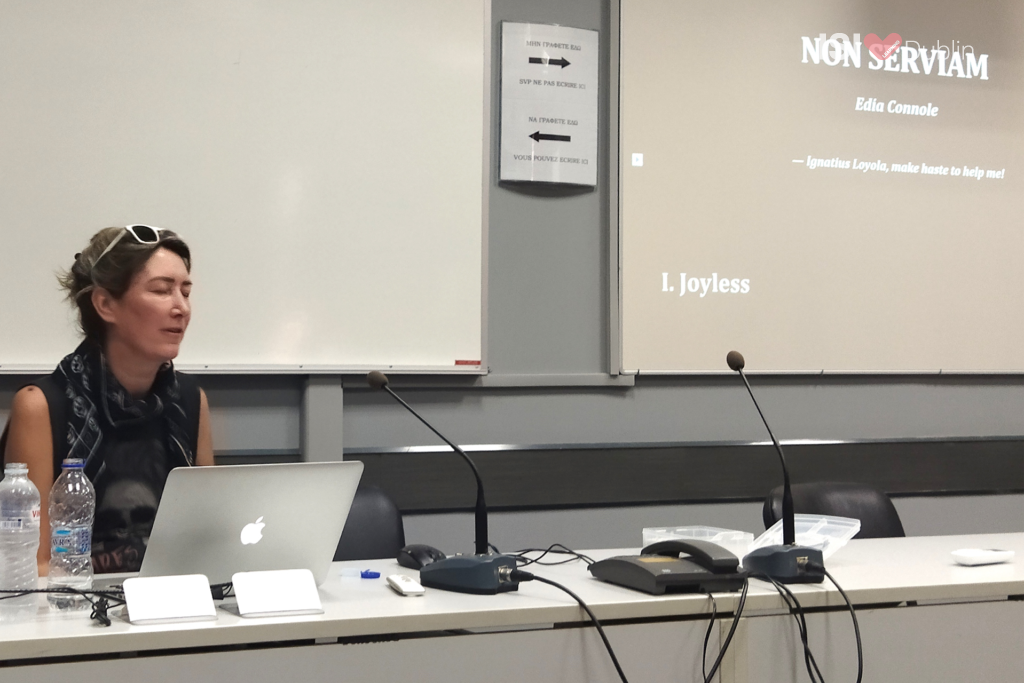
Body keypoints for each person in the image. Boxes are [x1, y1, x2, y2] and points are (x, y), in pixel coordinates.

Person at [1, 225, 214, 574]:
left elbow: (210, 539)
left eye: (186, 292)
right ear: (105, 304)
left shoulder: (190, 401)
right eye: (162, 290)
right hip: (76, 613)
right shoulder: (41, 406)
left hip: (175, 605)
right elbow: (33, 565)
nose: (181, 308)